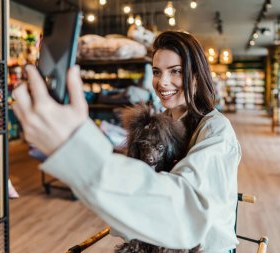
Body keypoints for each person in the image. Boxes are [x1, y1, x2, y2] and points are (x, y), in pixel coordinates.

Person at [12, 31, 241, 253]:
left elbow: (184, 213)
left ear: (197, 75)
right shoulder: (158, 123)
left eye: (176, 71)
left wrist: (77, 151)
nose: (163, 82)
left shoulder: (216, 130)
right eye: (157, 72)